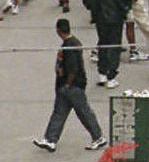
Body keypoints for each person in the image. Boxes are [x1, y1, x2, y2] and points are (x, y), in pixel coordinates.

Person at [32, 18, 107, 152]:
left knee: (83, 112)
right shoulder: (71, 43)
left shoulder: (70, 45)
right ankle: (50, 139)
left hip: (72, 87)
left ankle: (98, 137)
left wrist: (68, 84)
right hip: (65, 87)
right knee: (59, 113)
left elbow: (73, 68)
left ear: (58, 31)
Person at [82, 0, 132, 89]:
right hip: (116, 17)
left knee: (103, 43)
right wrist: (124, 9)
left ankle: (102, 72)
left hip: (99, 18)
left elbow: (86, 1)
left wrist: (94, 9)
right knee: (114, 45)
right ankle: (111, 75)